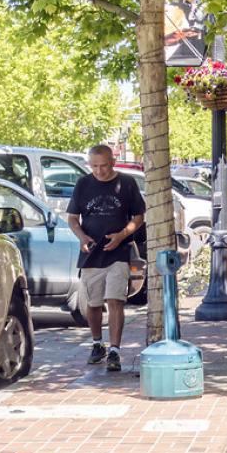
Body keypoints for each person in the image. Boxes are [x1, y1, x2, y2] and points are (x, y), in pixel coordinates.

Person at [66, 145, 145, 372]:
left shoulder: (127, 183)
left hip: (118, 252)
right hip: (91, 253)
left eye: (103, 166)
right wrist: (81, 237)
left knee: (115, 300)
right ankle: (97, 343)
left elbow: (138, 217)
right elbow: (72, 218)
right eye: (94, 166)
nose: (99, 171)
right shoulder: (83, 184)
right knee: (93, 304)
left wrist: (122, 235)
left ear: (113, 162)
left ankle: (115, 350)